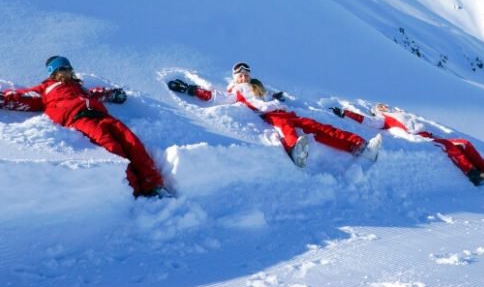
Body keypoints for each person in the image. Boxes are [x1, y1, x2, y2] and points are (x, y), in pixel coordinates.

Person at [0, 56, 167, 198]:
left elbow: (97, 94)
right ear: (54, 72)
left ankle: (153, 185)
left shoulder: (81, 88)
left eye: (68, 69)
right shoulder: (46, 89)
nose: (66, 72)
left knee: (132, 143)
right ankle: (133, 189)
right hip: (81, 120)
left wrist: (113, 94)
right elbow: (20, 98)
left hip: (103, 117)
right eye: (62, 70)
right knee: (114, 148)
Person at [167, 62, 382, 168]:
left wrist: (277, 98)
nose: (243, 78)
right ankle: (294, 149)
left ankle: (358, 145)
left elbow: (272, 97)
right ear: (235, 77)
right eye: (240, 75)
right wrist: (192, 90)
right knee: (285, 129)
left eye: (246, 75)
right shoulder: (235, 90)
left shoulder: (259, 87)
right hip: (269, 115)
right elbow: (216, 97)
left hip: (285, 111)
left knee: (320, 128)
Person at [330, 103, 484, 186]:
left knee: (465, 143)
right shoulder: (383, 119)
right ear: (377, 111)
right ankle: (472, 174)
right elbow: (365, 120)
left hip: (430, 134)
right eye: (379, 107)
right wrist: (345, 113)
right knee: (449, 148)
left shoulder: (399, 112)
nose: (384, 106)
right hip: (422, 139)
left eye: (383, 105)